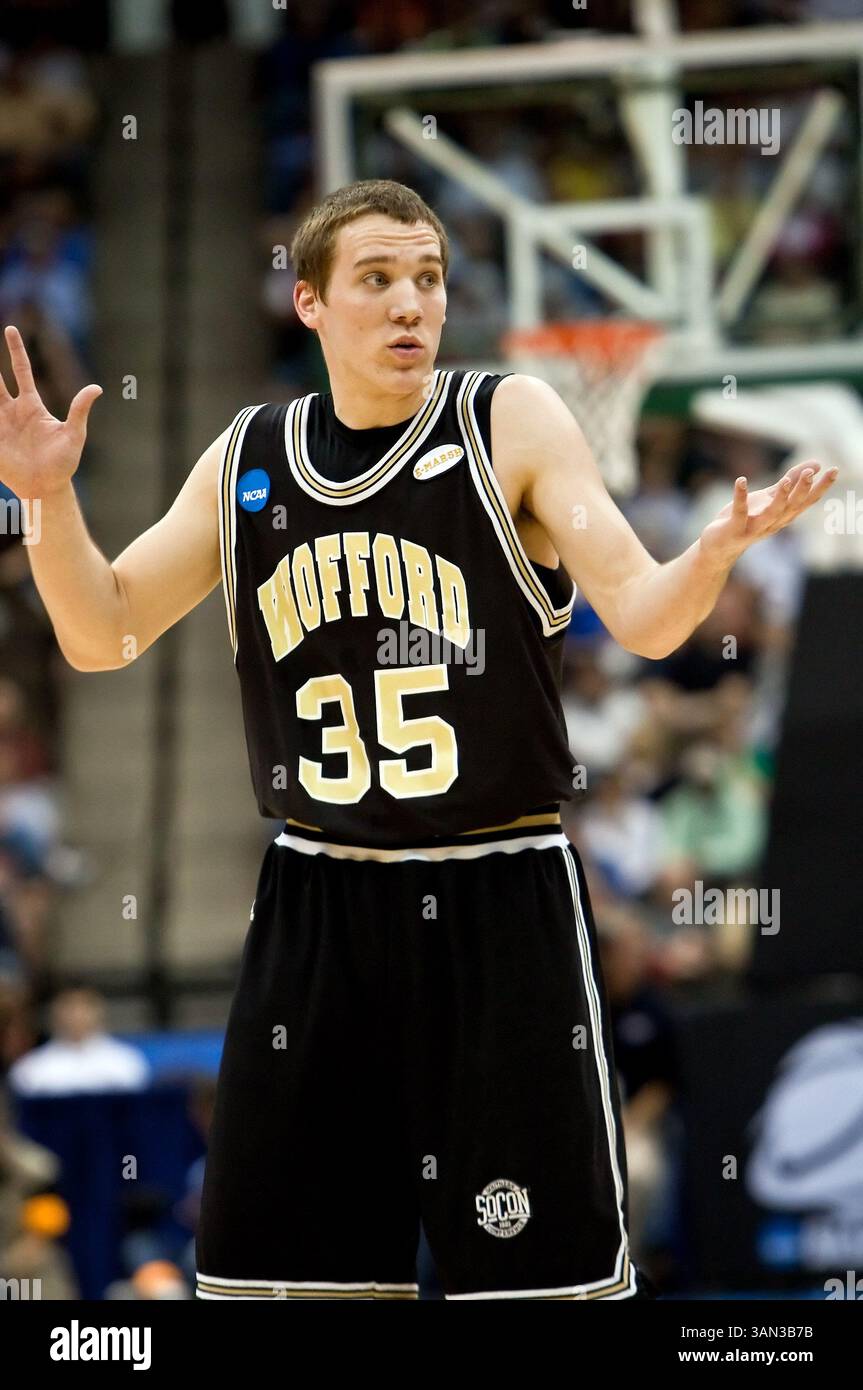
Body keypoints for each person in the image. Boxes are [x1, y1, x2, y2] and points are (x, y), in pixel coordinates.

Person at [0, 179, 836, 1300]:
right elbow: (102, 633)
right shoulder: (248, 457)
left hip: (498, 902)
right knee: (291, 1287)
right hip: (319, 903)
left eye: (429, 281)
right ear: (308, 302)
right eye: (378, 280)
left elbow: (641, 613)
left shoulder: (510, 421)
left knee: (538, 1288)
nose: (410, 305)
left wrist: (710, 554)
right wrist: (48, 502)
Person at [7, 987, 150, 1096]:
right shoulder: (30, 1069)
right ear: (55, 1015)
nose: (76, 1016)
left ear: (99, 1013)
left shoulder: (127, 1061)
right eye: (70, 1009)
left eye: (83, 1009)